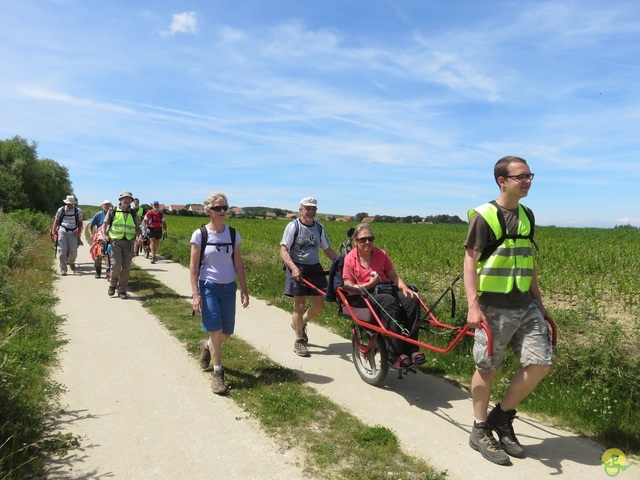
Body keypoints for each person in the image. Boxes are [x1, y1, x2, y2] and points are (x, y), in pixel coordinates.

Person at [463, 156, 552, 466]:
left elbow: (528, 260)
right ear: (502, 180)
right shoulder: (484, 216)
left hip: (525, 303)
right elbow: (470, 260)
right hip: (493, 306)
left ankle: (501, 417)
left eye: (530, 175)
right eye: (521, 176)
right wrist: (473, 304)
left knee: (540, 363)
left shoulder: (527, 215)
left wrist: (538, 299)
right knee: (487, 368)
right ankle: (478, 430)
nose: (527, 181)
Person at [342, 223, 426, 368]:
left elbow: (394, 277)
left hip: (386, 289)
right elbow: (349, 288)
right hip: (363, 295)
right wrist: (370, 284)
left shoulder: (381, 254)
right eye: (363, 239)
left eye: (370, 238)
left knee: (411, 300)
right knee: (389, 301)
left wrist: (405, 287)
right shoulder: (350, 259)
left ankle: (412, 350)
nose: (367, 242)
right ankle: (394, 354)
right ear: (355, 241)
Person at [190, 192, 249, 395]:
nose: (222, 211)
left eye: (225, 207)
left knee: (225, 334)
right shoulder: (200, 235)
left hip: (228, 287)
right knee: (215, 329)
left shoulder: (233, 234)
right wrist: (196, 294)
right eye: (218, 208)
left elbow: (238, 264)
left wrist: (244, 289)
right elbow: (194, 267)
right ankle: (218, 373)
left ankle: (206, 346)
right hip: (208, 287)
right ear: (208, 211)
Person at [280, 197, 336, 357]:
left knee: (320, 306)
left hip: (315, 269)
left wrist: (341, 264)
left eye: (313, 209)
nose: (311, 212)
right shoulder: (293, 226)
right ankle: (299, 340)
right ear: (301, 209)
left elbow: (327, 249)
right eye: (308, 208)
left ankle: (301, 323)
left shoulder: (319, 228)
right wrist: (294, 268)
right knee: (300, 304)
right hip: (297, 268)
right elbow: (283, 250)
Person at [102, 191, 141, 299]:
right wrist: (104, 235)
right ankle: (113, 284)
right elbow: (104, 224)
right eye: (125, 198)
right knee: (116, 265)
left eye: (129, 199)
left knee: (126, 268)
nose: (127, 200)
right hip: (116, 242)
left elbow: (138, 227)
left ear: (131, 201)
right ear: (120, 200)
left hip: (129, 243)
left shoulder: (133, 213)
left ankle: (122, 289)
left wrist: (139, 236)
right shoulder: (113, 211)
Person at [50, 195, 83, 276]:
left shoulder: (78, 211)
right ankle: (63, 270)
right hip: (62, 231)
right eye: (68, 203)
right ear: (65, 203)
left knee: (73, 252)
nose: (69, 205)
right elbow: (56, 221)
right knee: (62, 251)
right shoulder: (61, 210)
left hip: (73, 232)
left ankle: (71, 262)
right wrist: (54, 231)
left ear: (73, 204)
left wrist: (79, 234)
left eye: (71, 204)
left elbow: (80, 222)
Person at [89, 200, 112, 278]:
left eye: (108, 205)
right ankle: (98, 272)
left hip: (110, 236)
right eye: (105, 205)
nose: (107, 206)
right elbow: (90, 226)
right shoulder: (98, 215)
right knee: (99, 255)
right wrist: (91, 234)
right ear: (102, 206)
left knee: (109, 255)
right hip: (99, 238)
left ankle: (108, 272)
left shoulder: (113, 214)